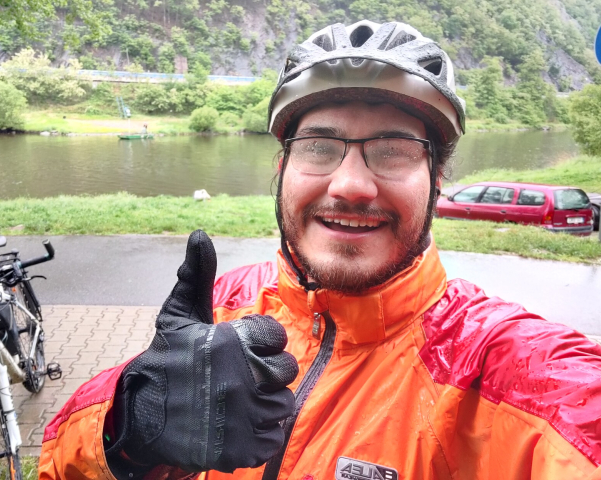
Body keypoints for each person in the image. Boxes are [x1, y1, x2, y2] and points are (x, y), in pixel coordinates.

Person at [39, 20, 601, 480]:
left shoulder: (502, 365)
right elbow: (57, 459)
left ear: (436, 179)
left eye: (393, 150)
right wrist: (128, 437)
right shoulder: (224, 306)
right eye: (320, 147)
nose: (351, 184)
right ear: (282, 169)